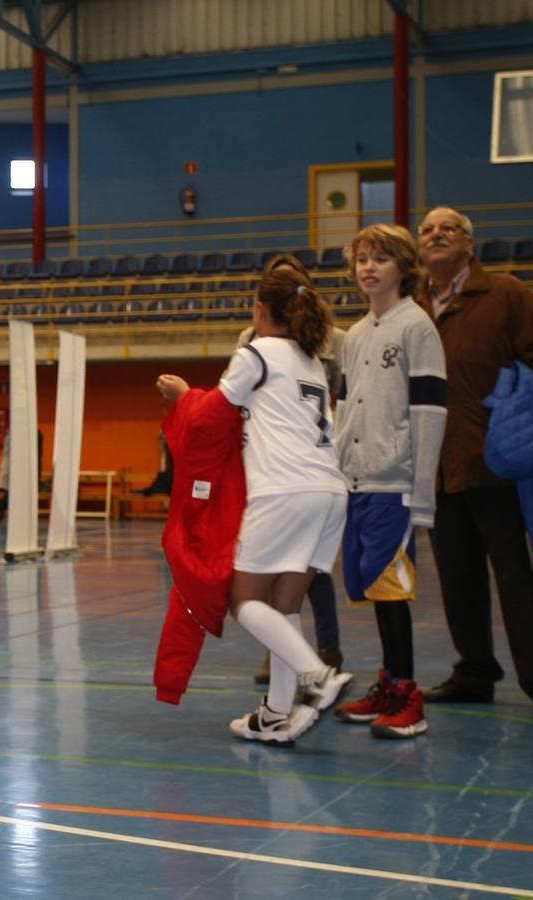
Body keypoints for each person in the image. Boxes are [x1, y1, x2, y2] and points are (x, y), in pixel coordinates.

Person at [156, 265, 353, 744]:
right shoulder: (310, 359)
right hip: (330, 492)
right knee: (282, 605)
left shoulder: (257, 353)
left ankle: (317, 676)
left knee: (245, 602)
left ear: (261, 310)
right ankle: (275, 712)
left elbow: (208, 419)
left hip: (285, 489)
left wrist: (182, 397)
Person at [330, 224, 447, 738]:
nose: (369, 268)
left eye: (380, 258)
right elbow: (342, 411)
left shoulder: (417, 327)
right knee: (375, 589)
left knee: (393, 589)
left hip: (396, 485)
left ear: (403, 266)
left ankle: (408, 696)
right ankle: (387, 683)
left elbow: (428, 412)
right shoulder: (354, 335)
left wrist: (420, 493)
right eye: (362, 259)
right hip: (359, 484)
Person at [417, 206, 533, 703]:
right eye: (427, 230)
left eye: (449, 229)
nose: (436, 235)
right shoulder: (411, 306)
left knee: (514, 575)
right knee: (457, 575)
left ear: (469, 245)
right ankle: (475, 672)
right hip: (438, 468)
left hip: (496, 461)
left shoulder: (505, 292)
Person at [240, 254, 345, 682]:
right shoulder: (256, 340)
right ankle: (283, 692)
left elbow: (227, 402)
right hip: (316, 478)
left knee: (250, 596)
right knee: (287, 591)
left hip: (289, 478)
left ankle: (320, 662)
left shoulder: (322, 341)